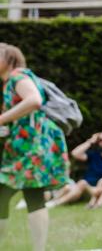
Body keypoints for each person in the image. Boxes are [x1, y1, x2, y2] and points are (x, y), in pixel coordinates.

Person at [0, 43, 70, 251]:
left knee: (24, 193)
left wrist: (1, 119)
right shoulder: (9, 82)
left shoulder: (17, 76)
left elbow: (34, 100)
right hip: (29, 144)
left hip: (33, 145)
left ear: (9, 58)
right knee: (29, 194)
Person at [49, 129, 102, 207]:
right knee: (75, 185)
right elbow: (75, 153)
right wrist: (90, 141)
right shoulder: (94, 155)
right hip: (88, 189)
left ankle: (55, 204)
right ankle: (53, 202)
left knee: (82, 183)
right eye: (100, 140)